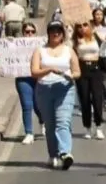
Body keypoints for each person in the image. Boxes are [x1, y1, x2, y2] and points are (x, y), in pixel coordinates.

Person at [31, 21, 80, 170]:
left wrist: (71, 76)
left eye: (58, 30)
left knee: (63, 121)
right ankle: (53, 154)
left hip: (65, 89)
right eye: (52, 30)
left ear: (63, 34)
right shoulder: (40, 50)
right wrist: (49, 69)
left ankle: (65, 153)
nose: (55, 33)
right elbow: (34, 72)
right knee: (50, 125)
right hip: (44, 89)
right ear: (48, 33)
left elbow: (77, 71)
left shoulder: (69, 50)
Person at [72, 21, 106, 140]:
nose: (82, 28)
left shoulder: (96, 36)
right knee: (85, 99)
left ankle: (99, 126)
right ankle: (87, 127)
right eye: (79, 26)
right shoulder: (75, 40)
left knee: (97, 98)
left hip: (96, 68)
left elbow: (105, 45)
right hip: (82, 69)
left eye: (85, 25)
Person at [14, 22, 44, 144]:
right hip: (23, 78)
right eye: (27, 31)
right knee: (27, 105)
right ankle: (29, 133)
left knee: (38, 106)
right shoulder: (16, 44)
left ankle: (43, 121)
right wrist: (9, 42)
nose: (30, 34)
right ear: (23, 33)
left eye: (32, 31)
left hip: (38, 78)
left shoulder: (41, 45)